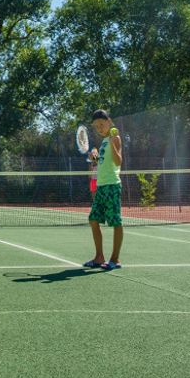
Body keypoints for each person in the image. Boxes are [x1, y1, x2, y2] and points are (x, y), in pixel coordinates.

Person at [83, 110, 124, 271]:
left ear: (109, 121)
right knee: (93, 220)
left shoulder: (115, 139)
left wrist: (114, 142)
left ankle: (115, 259)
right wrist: (95, 157)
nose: (99, 128)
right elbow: (103, 163)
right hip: (101, 186)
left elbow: (118, 161)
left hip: (112, 185)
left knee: (115, 222)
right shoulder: (104, 143)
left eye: (102, 124)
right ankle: (99, 257)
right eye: (96, 126)